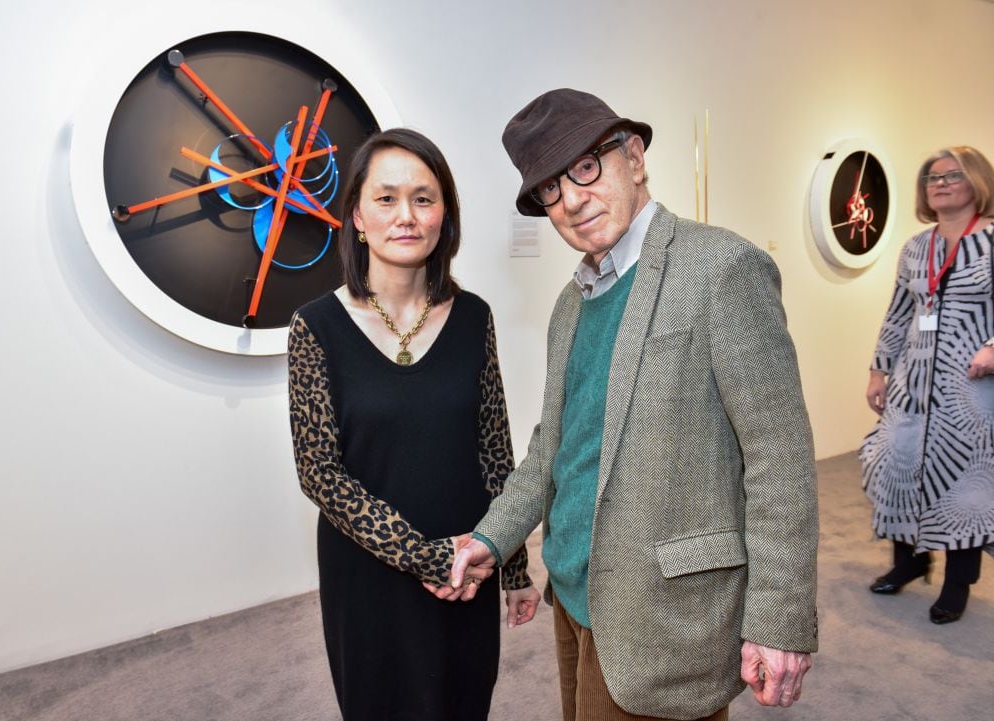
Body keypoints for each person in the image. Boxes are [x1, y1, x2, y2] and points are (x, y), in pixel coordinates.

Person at [437, 89, 819, 721]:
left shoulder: (722, 268)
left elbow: (780, 459)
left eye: (586, 167)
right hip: (576, 596)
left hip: (664, 610)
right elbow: (551, 451)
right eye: (550, 191)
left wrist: (780, 621)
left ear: (634, 156)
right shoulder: (570, 304)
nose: (573, 200)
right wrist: (491, 539)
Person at [287, 127, 541, 721]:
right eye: (386, 198)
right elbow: (320, 473)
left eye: (424, 199)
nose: (406, 216)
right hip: (371, 572)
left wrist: (512, 566)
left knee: (462, 703)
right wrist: (425, 556)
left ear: (444, 215)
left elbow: (494, 450)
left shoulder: (474, 316)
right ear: (355, 214)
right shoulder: (314, 327)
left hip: (466, 564)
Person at [860, 145, 994, 625]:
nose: (938, 184)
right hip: (911, 382)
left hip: (972, 389)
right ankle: (909, 562)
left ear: (976, 181)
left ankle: (958, 583)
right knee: (897, 464)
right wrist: (879, 370)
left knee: (963, 482)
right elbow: (898, 313)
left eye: (951, 175)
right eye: (931, 178)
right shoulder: (917, 247)